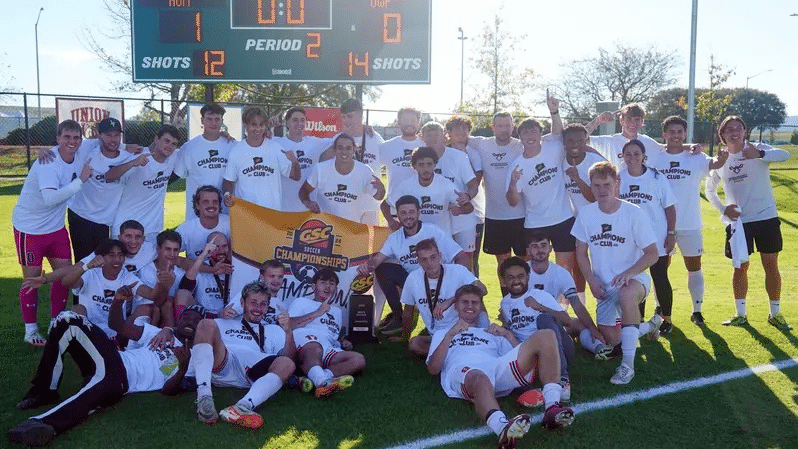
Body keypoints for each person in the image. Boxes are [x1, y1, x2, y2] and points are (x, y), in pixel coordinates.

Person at [8, 297, 203, 446]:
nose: (190, 321)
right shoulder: (159, 333)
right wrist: (118, 301)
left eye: (196, 320)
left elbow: (168, 391)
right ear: (179, 319)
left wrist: (182, 367)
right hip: (114, 358)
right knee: (67, 319)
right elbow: (118, 326)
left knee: (100, 388)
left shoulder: (194, 359)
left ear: (201, 327)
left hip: (120, 380)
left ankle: (42, 425)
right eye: (187, 316)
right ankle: (44, 391)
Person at [426, 284, 574, 448]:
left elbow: (526, 360)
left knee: (546, 335)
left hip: (495, 368)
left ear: (480, 306)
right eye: (464, 302)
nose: (469, 306)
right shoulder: (443, 333)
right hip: (465, 372)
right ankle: (503, 428)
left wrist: (507, 335)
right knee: (480, 377)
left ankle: (552, 409)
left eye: (474, 302)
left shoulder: (492, 333)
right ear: (456, 306)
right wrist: (450, 335)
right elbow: (433, 369)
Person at [571, 161, 662, 384]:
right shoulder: (586, 214)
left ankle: (627, 367)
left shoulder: (634, 213)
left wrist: (629, 273)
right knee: (613, 341)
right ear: (590, 186)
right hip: (603, 285)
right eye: (596, 185)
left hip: (634, 280)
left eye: (606, 184)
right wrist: (591, 280)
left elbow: (652, 253)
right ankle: (651, 325)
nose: (601, 190)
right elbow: (580, 253)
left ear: (617, 183)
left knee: (626, 294)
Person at [705, 116, 791, 329]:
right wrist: (724, 209)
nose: (734, 132)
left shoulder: (757, 148)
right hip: (739, 224)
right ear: (722, 135)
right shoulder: (721, 160)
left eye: (738, 128)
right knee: (740, 267)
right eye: (729, 129)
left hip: (766, 217)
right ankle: (740, 314)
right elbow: (709, 190)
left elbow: (785, 154)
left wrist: (760, 154)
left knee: (770, 265)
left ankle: (775, 314)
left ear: (745, 131)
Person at [12, 119, 92, 346]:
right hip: (30, 228)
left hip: (55, 228)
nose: (72, 141)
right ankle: (31, 331)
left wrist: (135, 149)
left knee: (65, 275)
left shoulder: (81, 151)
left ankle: (55, 322)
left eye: (76, 137)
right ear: (57, 139)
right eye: (66, 137)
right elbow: (49, 199)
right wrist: (81, 181)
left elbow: (107, 141)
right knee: (33, 277)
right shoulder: (48, 162)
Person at [652, 116, 727, 327]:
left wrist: (721, 158)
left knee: (694, 266)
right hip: (662, 225)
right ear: (664, 134)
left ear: (684, 134)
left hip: (690, 223)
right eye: (671, 132)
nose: (676, 135)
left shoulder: (696, 157)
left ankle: (697, 310)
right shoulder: (655, 158)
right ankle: (661, 307)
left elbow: (714, 163)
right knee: (660, 269)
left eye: (680, 132)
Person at [189, 281, 296, 429]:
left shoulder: (273, 330)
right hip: (224, 361)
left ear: (268, 307)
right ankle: (204, 398)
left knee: (287, 364)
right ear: (242, 302)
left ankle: (242, 407)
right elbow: (200, 341)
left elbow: (289, 358)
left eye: (263, 304)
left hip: (254, 370)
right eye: (253, 303)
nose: (258, 308)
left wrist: (289, 332)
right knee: (206, 324)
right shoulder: (222, 322)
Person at [358, 195, 469, 334]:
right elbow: (378, 260)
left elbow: (462, 256)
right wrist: (366, 266)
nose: (408, 216)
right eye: (403, 213)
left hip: (439, 280)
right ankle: (398, 317)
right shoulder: (395, 238)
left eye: (411, 212)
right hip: (415, 282)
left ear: (418, 212)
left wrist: (461, 283)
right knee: (383, 269)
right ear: (397, 214)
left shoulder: (433, 231)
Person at [506, 117, 576, 281]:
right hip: (535, 223)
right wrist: (513, 184)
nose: (530, 135)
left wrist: (554, 112)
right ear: (520, 137)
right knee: (534, 271)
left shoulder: (554, 148)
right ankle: (535, 303)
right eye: (525, 132)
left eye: (534, 131)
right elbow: (513, 201)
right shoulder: (517, 165)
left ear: (540, 134)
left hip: (563, 219)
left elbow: (561, 133)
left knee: (564, 271)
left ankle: (561, 307)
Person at [618, 139, 677, 335]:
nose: (632, 157)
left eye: (636, 153)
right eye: (628, 154)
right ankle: (639, 320)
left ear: (643, 155)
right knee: (634, 280)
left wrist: (671, 233)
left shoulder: (656, 177)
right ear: (623, 156)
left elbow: (670, 207)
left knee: (660, 278)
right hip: (631, 242)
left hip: (656, 238)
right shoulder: (619, 178)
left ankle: (666, 319)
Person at [393, 238, 488, 356]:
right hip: (437, 334)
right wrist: (404, 337)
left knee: (476, 299)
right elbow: (408, 311)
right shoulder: (413, 278)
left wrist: (452, 300)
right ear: (419, 261)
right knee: (414, 344)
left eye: (433, 257)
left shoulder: (457, 271)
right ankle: (456, 350)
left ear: (440, 256)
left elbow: (483, 289)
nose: (430, 263)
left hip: (462, 328)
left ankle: (484, 336)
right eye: (424, 259)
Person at [498, 257, 574, 403]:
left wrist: (539, 306)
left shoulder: (540, 295)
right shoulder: (505, 303)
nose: (516, 281)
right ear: (503, 281)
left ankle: (563, 379)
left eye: (520, 276)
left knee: (543, 319)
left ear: (528, 277)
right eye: (511, 277)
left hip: (558, 349)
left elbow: (567, 321)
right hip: (532, 353)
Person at [59, 239, 169, 338]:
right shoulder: (91, 273)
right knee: (78, 308)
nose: (117, 260)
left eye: (120, 255)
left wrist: (161, 283)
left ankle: (133, 345)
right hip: (90, 330)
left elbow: (152, 295)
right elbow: (66, 283)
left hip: (115, 330)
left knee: (145, 309)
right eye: (112, 255)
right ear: (101, 257)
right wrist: (85, 267)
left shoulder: (127, 277)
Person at [67, 117, 140, 261]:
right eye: (108, 135)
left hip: (105, 221)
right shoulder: (87, 150)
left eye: (117, 135)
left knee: (102, 265)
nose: (113, 139)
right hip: (81, 216)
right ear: (99, 135)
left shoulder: (128, 157)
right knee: (83, 265)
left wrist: (125, 147)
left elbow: (153, 151)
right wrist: (46, 152)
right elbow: (63, 147)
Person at [288, 268, 366, 398]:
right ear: (314, 286)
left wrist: (342, 342)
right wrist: (317, 313)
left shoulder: (337, 311)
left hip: (328, 348)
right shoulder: (302, 302)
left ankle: (318, 378)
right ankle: (323, 383)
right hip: (306, 343)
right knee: (315, 347)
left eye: (331, 283)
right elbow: (289, 325)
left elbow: (330, 334)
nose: (327, 287)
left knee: (358, 360)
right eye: (323, 282)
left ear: (336, 288)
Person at [467, 112, 526, 279]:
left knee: (525, 261)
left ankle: (525, 300)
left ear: (513, 126)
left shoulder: (521, 145)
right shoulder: (482, 144)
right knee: (503, 263)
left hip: (521, 214)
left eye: (507, 125)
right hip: (494, 216)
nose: (504, 129)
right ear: (492, 127)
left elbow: (554, 139)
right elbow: (457, 137)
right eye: (499, 126)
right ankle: (506, 301)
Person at [421, 121, 479, 271]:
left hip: (462, 217)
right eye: (429, 138)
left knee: (466, 259)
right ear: (423, 139)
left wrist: (467, 196)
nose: (433, 141)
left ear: (444, 137)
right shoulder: (419, 159)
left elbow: (473, 184)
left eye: (436, 137)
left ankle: (468, 289)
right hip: (436, 219)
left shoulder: (458, 157)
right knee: (438, 259)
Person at [108, 124, 181, 243]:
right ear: (156, 139)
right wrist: (132, 163)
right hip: (125, 227)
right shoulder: (137, 156)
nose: (169, 146)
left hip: (152, 229)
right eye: (166, 141)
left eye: (173, 144)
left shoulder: (173, 157)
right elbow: (109, 176)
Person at [320, 98, 385, 224]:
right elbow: (322, 160)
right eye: (343, 117)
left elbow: (390, 159)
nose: (346, 121)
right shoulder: (338, 138)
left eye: (349, 116)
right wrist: (341, 139)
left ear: (360, 116)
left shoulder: (374, 138)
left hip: (369, 204)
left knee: (368, 243)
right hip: (344, 203)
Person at [222, 106, 300, 211]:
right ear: (246, 126)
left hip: (272, 215)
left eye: (261, 125)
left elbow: (295, 176)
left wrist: (295, 162)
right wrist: (226, 194)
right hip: (246, 214)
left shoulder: (275, 148)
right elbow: (228, 180)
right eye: (254, 125)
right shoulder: (236, 151)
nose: (258, 129)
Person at [561, 123, 605, 303]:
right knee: (578, 265)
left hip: (597, 219)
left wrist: (577, 178)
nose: (575, 144)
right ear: (563, 142)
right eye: (570, 140)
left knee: (600, 264)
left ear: (586, 141)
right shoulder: (559, 160)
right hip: (571, 220)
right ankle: (581, 307)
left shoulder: (594, 162)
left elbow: (596, 198)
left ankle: (606, 305)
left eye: (580, 140)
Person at [300, 133, 386, 223]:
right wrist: (308, 202)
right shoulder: (320, 169)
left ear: (354, 150)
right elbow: (304, 191)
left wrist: (381, 188)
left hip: (351, 229)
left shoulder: (365, 171)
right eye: (340, 147)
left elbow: (378, 196)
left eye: (348, 148)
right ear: (334, 150)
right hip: (325, 227)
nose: (344, 151)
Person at [384, 146, 470, 235]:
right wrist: (391, 221)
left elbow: (469, 207)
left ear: (434, 165)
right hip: (416, 239)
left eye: (429, 164)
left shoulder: (446, 185)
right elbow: (385, 205)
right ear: (414, 167)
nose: (426, 169)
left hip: (441, 238)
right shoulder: (406, 186)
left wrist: (460, 210)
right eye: (421, 165)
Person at [174, 103, 234, 220]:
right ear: (202, 120)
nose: (213, 123)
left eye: (217, 119)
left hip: (225, 213)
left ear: (222, 121)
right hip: (197, 216)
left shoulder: (232, 145)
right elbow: (177, 174)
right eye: (209, 119)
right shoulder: (188, 148)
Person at [446, 115, 486, 276]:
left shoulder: (473, 153)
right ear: (448, 132)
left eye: (466, 129)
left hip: (473, 212)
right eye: (458, 128)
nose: (462, 132)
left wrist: (462, 155)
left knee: (470, 258)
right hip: (447, 212)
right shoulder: (442, 151)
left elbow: (475, 179)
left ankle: (472, 292)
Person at [272, 106, 334, 212]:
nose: (299, 123)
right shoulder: (276, 143)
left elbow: (338, 140)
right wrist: (268, 124)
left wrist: (362, 128)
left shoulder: (314, 143)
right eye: (295, 120)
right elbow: (254, 139)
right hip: (285, 207)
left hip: (309, 207)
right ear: (287, 123)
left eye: (302, 120)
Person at [175, 233, 233, 320]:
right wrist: (203, 255)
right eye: (216, 247)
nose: (221, 250)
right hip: (204, 317)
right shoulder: (201, 268)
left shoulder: (236, 268)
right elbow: (185, 286)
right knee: (182, 294)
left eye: (224, 246)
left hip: (231, 316)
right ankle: (181, 327)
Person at [584, 103, 662, 167]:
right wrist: (597, 121)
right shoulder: (608, 142)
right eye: (628, 119)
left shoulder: (649, 142)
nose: (633, 123)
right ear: (621, 121)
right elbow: (579, 139)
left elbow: (669, 149)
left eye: (637, 119)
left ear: (642, 122)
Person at [135, 230, 185, 328]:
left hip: (171, 315)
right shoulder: (146, 271)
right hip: (146, 315)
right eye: (168, 249)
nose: (172, 254)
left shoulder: (181, 273)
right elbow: (154, 303)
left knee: (168, 304)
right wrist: (166, 285)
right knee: (165, 305)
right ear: (158, 249)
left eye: (175, 250)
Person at [378, 107, 424, 203]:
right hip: (394, 203)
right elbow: (372, 165)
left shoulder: (425, 145)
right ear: (398, 122)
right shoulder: (388, 146)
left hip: (421, 204)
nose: (409, 123)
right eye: (405, 120)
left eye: (412, 120)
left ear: (418, 122)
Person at [225, 259, 291, 322]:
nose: (276, 280)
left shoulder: (283, 306)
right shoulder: (248, 295)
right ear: (262, 278)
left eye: (280, 277)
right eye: (272, 276)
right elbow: (227, 315)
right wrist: (226, 313)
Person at [175, 185, 231, 260]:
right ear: (197, 205)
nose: (211, 205)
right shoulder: (185, 230)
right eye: (206, 202)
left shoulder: (230, 223)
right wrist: (206, 268)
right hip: (198, 270)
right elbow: (170, 255)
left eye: (215, 202)